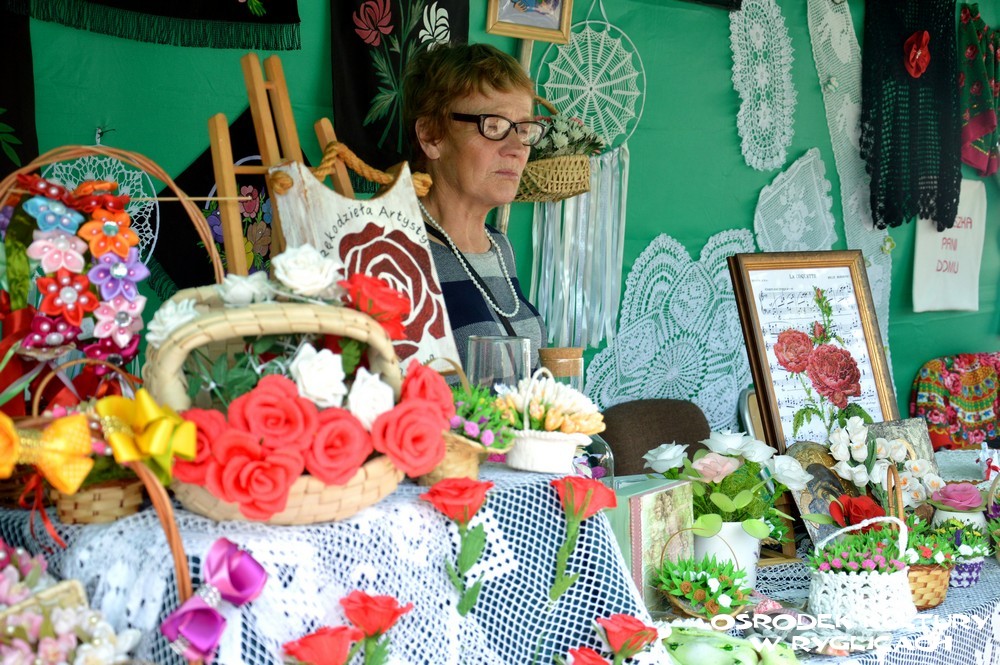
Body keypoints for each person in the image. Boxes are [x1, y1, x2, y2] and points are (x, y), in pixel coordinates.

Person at [402, 42, 546, 372]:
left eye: (524, 130)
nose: (516, 148)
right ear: (432, 136)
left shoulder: (499, 247)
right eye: (494, 126)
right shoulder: (400, 249)